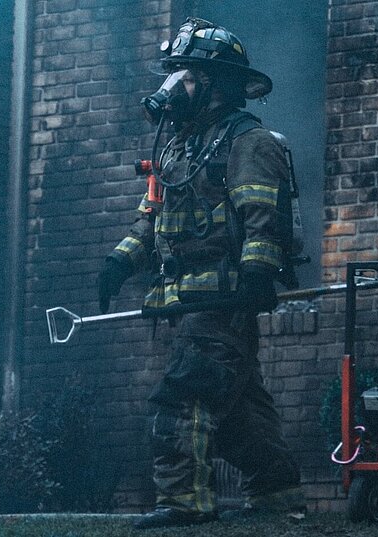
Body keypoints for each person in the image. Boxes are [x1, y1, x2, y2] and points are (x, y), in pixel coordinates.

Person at [97, 17, 307, 530]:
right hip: (187, 302)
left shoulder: (249, 142)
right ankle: (277, 494)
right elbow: (151, 219)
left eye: (186, 76)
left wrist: (257, 275)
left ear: (214, 84)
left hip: (223, 301)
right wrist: (119, 262)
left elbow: (263, 217)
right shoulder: (177, 148)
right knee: (238, 415)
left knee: (182, 399)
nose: (174, 86)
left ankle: (184, 501)